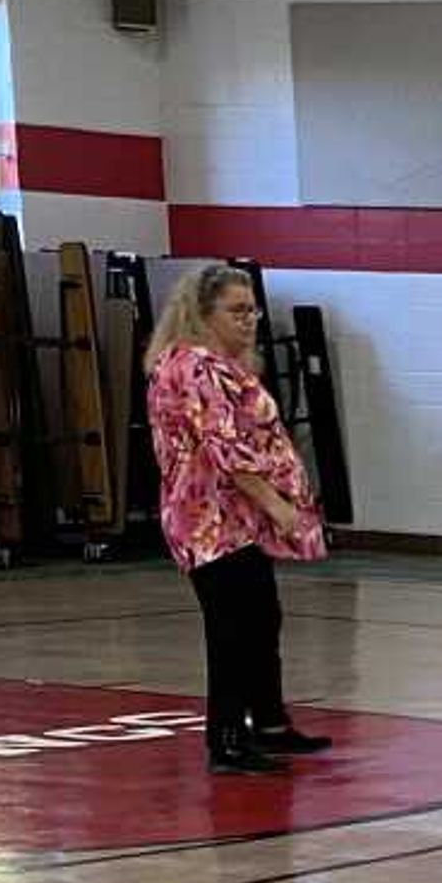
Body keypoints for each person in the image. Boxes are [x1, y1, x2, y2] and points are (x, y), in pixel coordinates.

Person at [144, 264, 328, 776]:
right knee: (230, 628)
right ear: (204, 314)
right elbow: (225, 449)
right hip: (206, 520)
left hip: (235, 520)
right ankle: (225, 738)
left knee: (262, 616)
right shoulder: (192, 367)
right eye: (237, 311)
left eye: (253, 310)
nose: (250, 320)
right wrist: (279, 507)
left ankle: (268, 721)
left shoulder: (224, 364)